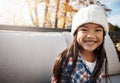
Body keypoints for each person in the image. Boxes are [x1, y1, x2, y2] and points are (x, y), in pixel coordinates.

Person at [51, 4, 118, 83]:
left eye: (97, 30)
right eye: (84, 30)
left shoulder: (100, 58)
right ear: (76, 33)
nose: (91, 36)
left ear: (103, 34)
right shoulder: (66, 60)